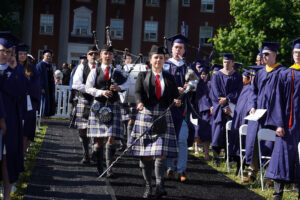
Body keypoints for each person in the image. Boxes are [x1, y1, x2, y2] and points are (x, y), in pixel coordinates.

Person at [129, 45, 181, 199]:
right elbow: (137, 92)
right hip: (146, 115)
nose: (158, 60)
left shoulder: (169, 77)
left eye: (161, 57)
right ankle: (148, 186)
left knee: (161, 153)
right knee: (145, 155)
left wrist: (177, 101)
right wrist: (139, 103)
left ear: (164, 60)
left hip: (164, 116)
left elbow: (175, 96)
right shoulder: (143, 75)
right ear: (150, 60)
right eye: (155, 57)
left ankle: (159, 184)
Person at [244, 42, 286, 183]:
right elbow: (253, 91)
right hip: (258, 114)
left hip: (274, 115)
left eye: (267, 54)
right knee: (253, 141)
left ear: (274, 55)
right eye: (263, 54)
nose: (264, 57)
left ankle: (270, 175)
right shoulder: (260, 73)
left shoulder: (281, 72)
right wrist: (252, 105)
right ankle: (252, 172)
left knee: (270, 144)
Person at [264, 38, 300, 200]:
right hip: (288, 124)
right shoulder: (285, 74)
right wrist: (278, 124)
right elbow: (276, 99)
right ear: (292, 55)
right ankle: (278, 192)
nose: (298, 56)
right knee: (282, 155)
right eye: (295, 53)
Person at [85, 44, 129, 177]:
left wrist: (119, 88)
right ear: (101, 56)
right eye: (105, 54)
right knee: (98, 140)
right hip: (99, 106)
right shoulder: (95, 71)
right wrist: (101, 92)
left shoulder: (118, 71)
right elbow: (88, 88)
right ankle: (99, 167)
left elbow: (128, 83)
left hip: (113, 105)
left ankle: (109, 168)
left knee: (111, 138)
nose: (108, 56)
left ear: (113, 56)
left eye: (110, 54)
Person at [0, 31, 26, 200]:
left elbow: (20, 91)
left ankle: (7, 195)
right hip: (2, 120)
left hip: (11, 122)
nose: (6, 54)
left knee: (7, 158)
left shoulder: (15, 69)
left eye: (9, 51)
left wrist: (14, 68)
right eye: (3, 50)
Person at [164, 34, 189, 182]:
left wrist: (187, 88)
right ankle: (169, 168)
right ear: (171, 49)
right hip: (168, 108)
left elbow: (197, 86)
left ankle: (181, 170)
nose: (178, 50)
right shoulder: (165, 66)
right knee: (169, 139)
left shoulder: (187, 67)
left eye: (181, 48)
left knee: (181, 140)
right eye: (175, 47)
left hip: (184, 109)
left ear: (184, 50)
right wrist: (174, 92)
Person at [210, 53, 243, 166]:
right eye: (224, 62)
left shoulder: (237, 76)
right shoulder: (216, 75)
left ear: (233, 63)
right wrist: (224, 105)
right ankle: (215, 157)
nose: (226, 64)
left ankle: (230, 156)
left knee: (230, 130)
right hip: (219, 107)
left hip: (232, 107)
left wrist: (228, 99)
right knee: (218, 131)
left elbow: (239, 91)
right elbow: (215, 91)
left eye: (228, 62)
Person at [72, 47, 98, 164]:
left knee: (97, 128)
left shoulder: (101, 68)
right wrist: (92, 90)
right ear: (87, 56)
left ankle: (95, 153)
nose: (93, 56)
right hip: (85, 100)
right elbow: (76, 84)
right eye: (91, 54)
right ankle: (86, 154)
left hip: (98, 102)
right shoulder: (81, 67)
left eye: (95, 54)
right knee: (83, 129)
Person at [16, 44, 41, 153]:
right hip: (15, 102)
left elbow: (37, 85)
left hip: (28, 102)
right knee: (16, 129)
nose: (22, 56)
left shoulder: (32, 68)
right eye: (20, 54)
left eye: (24, 54)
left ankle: (23, 154)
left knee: (27, 129)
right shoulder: (12, 66)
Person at [227, 68, 252, 174]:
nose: (242, 79)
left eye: (244, 77)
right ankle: (238, 165)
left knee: (243, 143)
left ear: (249, 79)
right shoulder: (243, 88)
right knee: (236, 142)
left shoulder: (251, 89)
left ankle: (241, 166)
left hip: (244, 121)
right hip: (237, 120)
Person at [192, 66, 212, 160]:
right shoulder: (196, 84)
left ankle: (206, 153)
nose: (203, 76)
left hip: (207, 110)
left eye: (204, 74)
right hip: (196, 110)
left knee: (206, 131)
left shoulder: (210, 84)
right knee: (197, 129)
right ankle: (197, 148)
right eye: (202, 74)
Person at [36, 49, 56, 117]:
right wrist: (41, 87)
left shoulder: (49, 65)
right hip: (43, 87)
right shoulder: (40, 65)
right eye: (47, 56)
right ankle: (42, 114)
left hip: (49, 86)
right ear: (43, 56)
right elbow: (38, 77)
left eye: (49, 56)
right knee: (43, 101)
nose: (48, 57)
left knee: (49, 100)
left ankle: (47, 114)